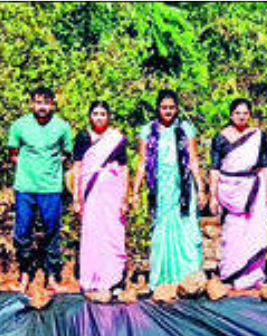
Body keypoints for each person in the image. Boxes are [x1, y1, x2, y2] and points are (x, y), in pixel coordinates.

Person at [132, 89, 204, 287]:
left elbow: (193, 160)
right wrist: (135, 191)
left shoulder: (185, 129)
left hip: (183, 186)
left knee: (187, 229)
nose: (168, 111)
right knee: (162, 230)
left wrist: (201, 187)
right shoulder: (147, 131)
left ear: (177, 108)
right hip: (161, 188)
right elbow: (142, 163)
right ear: (157, 108)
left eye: (172, 107)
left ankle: (189, 278)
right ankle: (163, 279)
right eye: (164, 107)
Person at [5, 86, 74, 292]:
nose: (42, 106)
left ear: (53, 104)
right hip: (25, 187)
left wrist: (49, 167)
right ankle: (25, 274)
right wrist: (29, 168)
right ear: (31, 104)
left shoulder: (62, 127)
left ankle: (52, 277)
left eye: (46, 102)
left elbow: (66, 153)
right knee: (22, 232)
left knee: (52, 232)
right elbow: (13, 153)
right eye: (37, 102)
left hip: (51, 188)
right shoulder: (19, 125)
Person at [210, 98, 267, 290]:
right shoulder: (220, 138)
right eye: (238, 113)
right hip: (229, 189)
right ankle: (231, 273)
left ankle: (253, 276)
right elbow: (215, 168)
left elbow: (265, 166)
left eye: (245, 113)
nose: (241, 116)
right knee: (233, 230)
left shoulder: (257, 136)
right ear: (231, 115)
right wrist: (213, 195)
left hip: (253, 189)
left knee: (254, 230)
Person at [70, 101, 128, 295]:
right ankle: (92, 279)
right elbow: (77, 167)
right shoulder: (83, 137)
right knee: (93, 233)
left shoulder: (116, 138)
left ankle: (114, 279)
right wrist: (77, 197)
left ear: (108, 116)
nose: (99, 117)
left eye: (103, 114)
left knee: (113, 232)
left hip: (112, 192)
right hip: (90, 192)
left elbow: (123, 168)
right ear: (90, 116)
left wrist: (124, 198)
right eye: (95, 113)